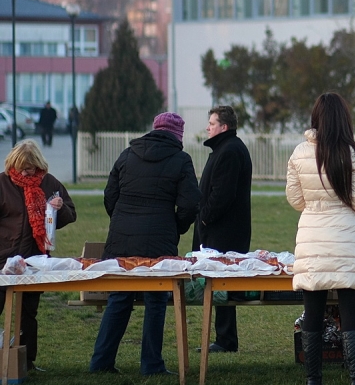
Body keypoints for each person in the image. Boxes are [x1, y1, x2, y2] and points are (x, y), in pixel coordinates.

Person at [89, 112, 200, 375]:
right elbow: (190, 203)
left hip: (122, 238)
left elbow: (110, 195)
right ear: (178, 136)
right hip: (159, 240)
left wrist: (121, 220)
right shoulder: (181, 159)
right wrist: (175, 227)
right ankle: (151, 364)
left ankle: (101, 362)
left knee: (119, 297)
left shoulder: (127, 154)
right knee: (156, 299)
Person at [286, 92, 355, 385]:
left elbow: (295, 199)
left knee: (313, 313)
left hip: (312, 239)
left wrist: (316, 204)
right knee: (351, 316)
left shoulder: (299, 153)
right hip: (345, 239)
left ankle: (313, 379)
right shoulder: (354, 153)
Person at [0, 140, 77, 371]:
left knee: (28, 312)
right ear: (12, 164)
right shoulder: (2, 184)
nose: (25, 172)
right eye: (21, 167)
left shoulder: (50, 183)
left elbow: (70, 215)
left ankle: (26, 362)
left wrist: (60, 206)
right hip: (3, 258)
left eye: (30, 168)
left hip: (35, 260)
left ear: (38, 166)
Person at [192, 105, 253, 353]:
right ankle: (224, 339)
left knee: (222, 283)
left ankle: (226, 340)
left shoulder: (229, 151)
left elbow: (222, 194)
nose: (208, 127)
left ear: (223, 127)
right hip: (224, 229)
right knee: (221, 284)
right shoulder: (226, 148)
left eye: (212, 123)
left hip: (223, 231)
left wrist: (204, 219)